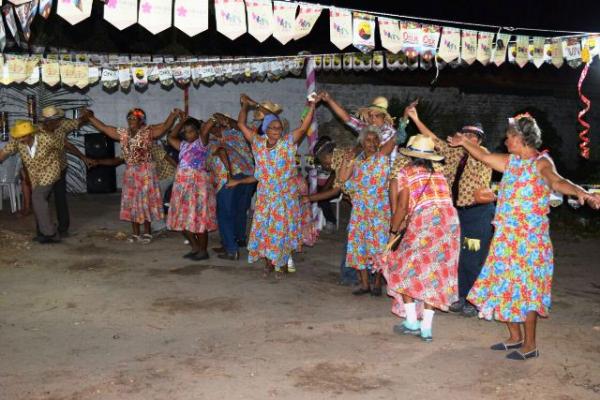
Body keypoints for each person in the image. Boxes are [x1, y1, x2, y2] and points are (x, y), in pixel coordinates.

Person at [448, 113, 600, 360]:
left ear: (520, 138)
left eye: (509, 137)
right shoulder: (512, 162)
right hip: (506, 239)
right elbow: (485, 156)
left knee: (527, 291)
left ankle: (530, 345)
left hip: (529, 242)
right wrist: (463, 142)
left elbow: (558, 182)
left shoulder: (541, 163)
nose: (505, 141)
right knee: (504, 285)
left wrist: (583, 193)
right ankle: (515, 337)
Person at [406, 106, 495, 317]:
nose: (467, 138)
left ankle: (475, 301)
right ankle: (462, 297)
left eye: (473, 136)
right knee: (457, 256)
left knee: (472, 257)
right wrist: (415, 118)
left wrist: (464, 143)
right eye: (465, 134)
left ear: (480, 140)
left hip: (477, 215)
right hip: (458, 214)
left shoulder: (484, 155)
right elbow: (433, 139)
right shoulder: (454, 153)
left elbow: (481, 155)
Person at [376, 134, 460, 342]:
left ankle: (412, 321)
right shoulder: (439, 175)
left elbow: (403, 206)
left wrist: (394, 231)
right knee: (434, 272)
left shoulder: (406, 172)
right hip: (449, 223)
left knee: (403, 266)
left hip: (425, 220)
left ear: (410, 155)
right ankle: (427, 329)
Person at [228, 93, 317, 279]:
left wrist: (313, 105)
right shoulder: (258, 143)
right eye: (273, 127)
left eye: (280, 127)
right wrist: (244, 106)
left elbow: (303, 127)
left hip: (284, 197)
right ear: (266, 129)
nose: (277, 130)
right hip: (265, 196)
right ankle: (269, 263)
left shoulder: (286, 144)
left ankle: (282, 263)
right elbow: (241, 125)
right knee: (266, 230)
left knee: (282, 230)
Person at [83, 107, 180, 243]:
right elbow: (105, 128)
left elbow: (164, 127)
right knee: (133, 203)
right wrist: (90, 117)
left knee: (145, 203)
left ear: (142, 121)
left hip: (145, 173)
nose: (131, 120)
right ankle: (135, 234)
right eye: (129, 118)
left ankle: (147, 233)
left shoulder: (147, 132)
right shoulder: (123, 134)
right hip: (131, 174)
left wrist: (173, 114)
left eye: (134, 118)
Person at [0, 119, 85, 243]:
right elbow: (2, 154)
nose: (20, 140)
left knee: (38, 197)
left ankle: (51, 233)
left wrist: (82, 157)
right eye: (18, 137)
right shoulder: (17, 141)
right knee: (39, 202)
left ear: (30, 134)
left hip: (50, 171)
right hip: (35, 175)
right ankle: (42, 233)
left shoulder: (47, 138)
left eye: (23, 136)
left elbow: (65, 145)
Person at [336, 125, 394, 296]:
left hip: (379, 211)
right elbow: (342, 180)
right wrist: (347, 160)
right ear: (361, 142)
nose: (372, 143)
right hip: (360, 210)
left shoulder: (382, 158)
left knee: (378, 246)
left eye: (375, 139)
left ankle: (377, 283)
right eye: (368, 140)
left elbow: (394, 138)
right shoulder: (356, 161)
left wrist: (405, 119)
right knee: (359, 246)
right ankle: (364, 283)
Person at [305, 136, 361, 286]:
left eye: (323, 161)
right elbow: (335, 181)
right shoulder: (341, 156)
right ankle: (367, 276)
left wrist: (309, 198)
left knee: (352, 241)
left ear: (328, 155)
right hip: (365, 205)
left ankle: (350, 276)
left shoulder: (340, 158)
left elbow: (335, 191)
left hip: (366, 206)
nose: (324, 166)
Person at [35, 106, 92, 239]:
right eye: (56, 120)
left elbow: (82, 120)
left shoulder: (61, 124)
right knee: (41, 200)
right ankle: (42, 231)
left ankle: (63, 228)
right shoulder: (36, 132)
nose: (59, 122)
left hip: (60, 167)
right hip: (43, 171)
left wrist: (88, 114)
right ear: (47, 122)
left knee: (60, 198)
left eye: (59, 120)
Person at [206, 113, 256, 260]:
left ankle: (231, 249)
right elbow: (240, 126)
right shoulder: (235, 134)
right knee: (239, 210)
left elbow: (221, 152)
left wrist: (229, 174)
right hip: (249, 175)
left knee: (224, 214)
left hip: (231, 178)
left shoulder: (215, 142)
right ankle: (238, 240)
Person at [166, 115, 217, 260]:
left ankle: (203, 251)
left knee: (199, 219)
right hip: (182, 187)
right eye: (185, 131)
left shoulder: (201, 143)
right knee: (182, 219)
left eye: (191, 131)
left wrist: (212, 119)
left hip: (198, 187)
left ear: (198, 132)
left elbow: (206, 130)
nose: (188, 134)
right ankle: (195, 247)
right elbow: (171, 137)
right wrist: (181, 121)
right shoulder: (182, 145)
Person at [318, 91, 406, 160]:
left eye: (377, 116)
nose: (373, 119)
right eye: (371, 116)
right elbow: (347, 118)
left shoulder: (389, 132)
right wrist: (329, 100)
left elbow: (372, 148)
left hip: (385, 174)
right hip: (369, 171)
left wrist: (355, 150)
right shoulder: (367, 128)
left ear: (384, 117)